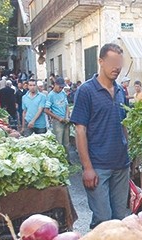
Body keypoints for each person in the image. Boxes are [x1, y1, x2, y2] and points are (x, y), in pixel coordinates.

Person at [70, 43, 131, 228]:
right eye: (112, 62)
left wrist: (129, 153)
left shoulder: (121, 91)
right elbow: (80, 130)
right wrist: (87, 167)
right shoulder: (86, 91)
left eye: (119, 63)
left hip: (121, 165)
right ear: (101, 61)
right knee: (103, 219)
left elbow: (124, 125)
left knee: (121, 218)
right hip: (98, 166)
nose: (117, 67)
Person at [45, 77, 70, 151]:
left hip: (65, 119)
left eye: (62, 87)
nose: (61, 88)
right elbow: (46, 110)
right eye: (60, 87)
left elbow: (67, 105)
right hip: (57, 121)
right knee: (59, 142)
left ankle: (67, 160)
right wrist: (58, 118)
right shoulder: (51, 95)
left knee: (66, 142)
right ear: (55, 85)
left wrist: (67, 116)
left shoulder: (63, 93)